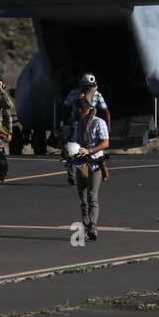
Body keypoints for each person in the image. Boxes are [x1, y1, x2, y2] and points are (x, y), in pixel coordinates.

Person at [65, 97, 110, 241]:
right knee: (83, 198)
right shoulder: (79, 125)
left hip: (95, 164)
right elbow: (75, 142)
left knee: (92, 196)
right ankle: (85, 224)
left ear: (80, 110)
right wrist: (69, 150)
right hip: (81, 165)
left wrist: (89, 150)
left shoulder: (99, 123)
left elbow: (105, 143)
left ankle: (93, 227)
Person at [63, 73, 109, 184]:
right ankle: (73, 175)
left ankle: (99, 164)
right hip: (76, 123)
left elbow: (105, 110)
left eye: (90, 86)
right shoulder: (74, 94)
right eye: (85, 85)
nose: (87, 88)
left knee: (89, 146)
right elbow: (65, 106)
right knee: (71, 149)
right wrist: (62, 121)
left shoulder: (97, 95)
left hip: (89, 123)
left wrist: (108, 125)